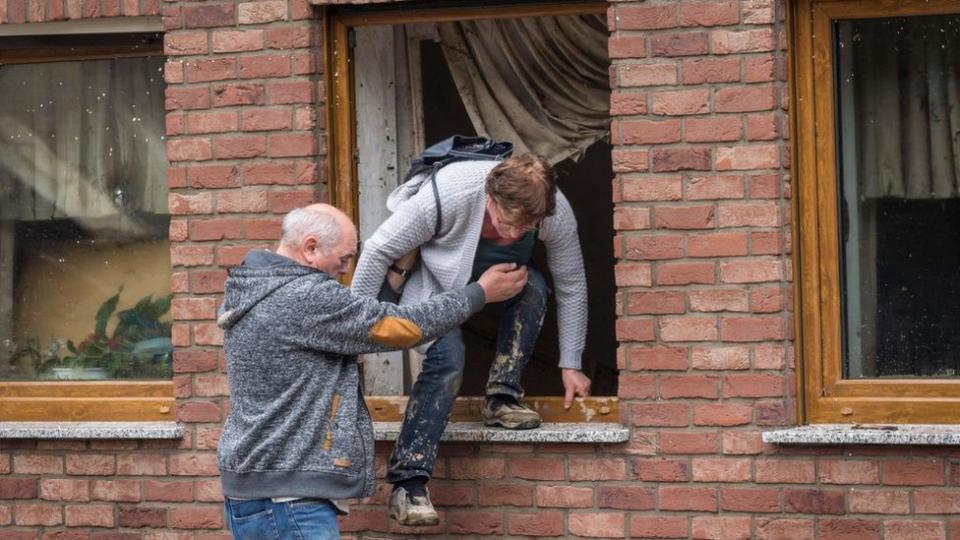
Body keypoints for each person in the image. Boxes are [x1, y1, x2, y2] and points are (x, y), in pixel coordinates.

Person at [216, 203, 526, 539]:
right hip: (289, 502)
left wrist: (396, 278)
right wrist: (478, 293)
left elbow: (353, 327)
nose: (346, 270)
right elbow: (399, 327)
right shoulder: (303, 296)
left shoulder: (260, 288)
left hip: (258, 493)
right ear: (310, 248)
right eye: (344, 258)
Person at [351, 154, 592, 526]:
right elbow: (377, 249)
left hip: (501, 285)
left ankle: (502, 398)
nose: (513, 235)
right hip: (432, 287)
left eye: (525, 228)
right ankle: (408, 484)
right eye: (506, 223)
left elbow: (572, 283)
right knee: (448, 355)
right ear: (490, 198)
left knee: (535, 287)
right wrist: (356, 328)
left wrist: (571, 362)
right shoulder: (452, 191)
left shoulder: (554, 211)